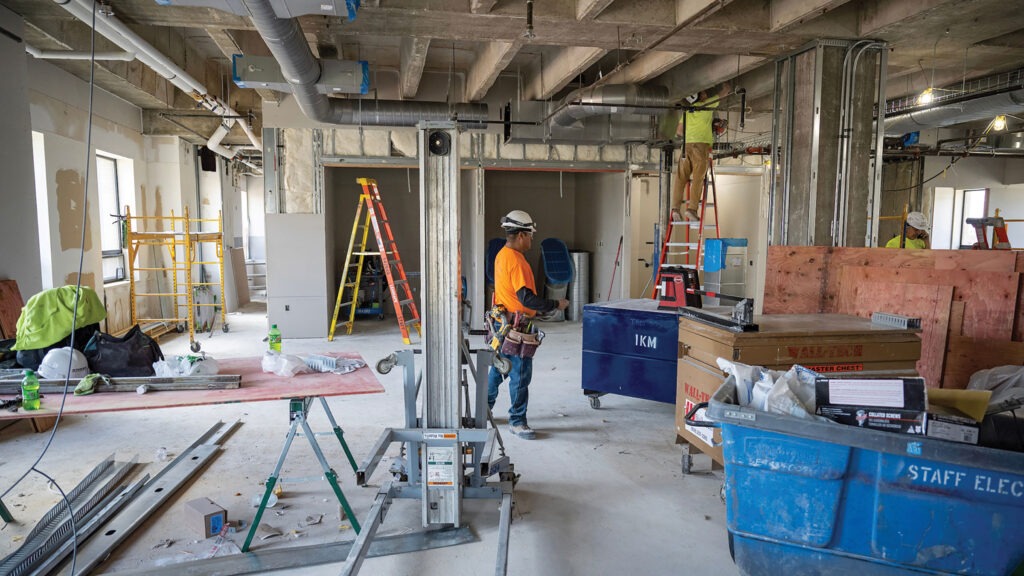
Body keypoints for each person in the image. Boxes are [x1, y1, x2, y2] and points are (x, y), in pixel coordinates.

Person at [488, 210, 569, 440]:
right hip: (518, 328)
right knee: (521, 375)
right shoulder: (517, 261)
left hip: (502, 324)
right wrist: (556, 303)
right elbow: (528, 299)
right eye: (531, 235)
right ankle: (517, 421)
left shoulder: (501, 255)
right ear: (522, 235)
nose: (532, 240)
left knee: (499, 369)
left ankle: (483, 410)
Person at [671, 84, 731, 222]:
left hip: (686, 146)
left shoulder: (687, 111)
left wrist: (692, 132)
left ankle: (675, 209)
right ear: (700, 97)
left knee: (681, 178)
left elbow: (679, 131)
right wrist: (726, 85)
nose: (705, 94)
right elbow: (725, 93)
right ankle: (691, 209)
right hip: (701, 146)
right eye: (703, 93)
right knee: (698, 178)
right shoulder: (707, 105)